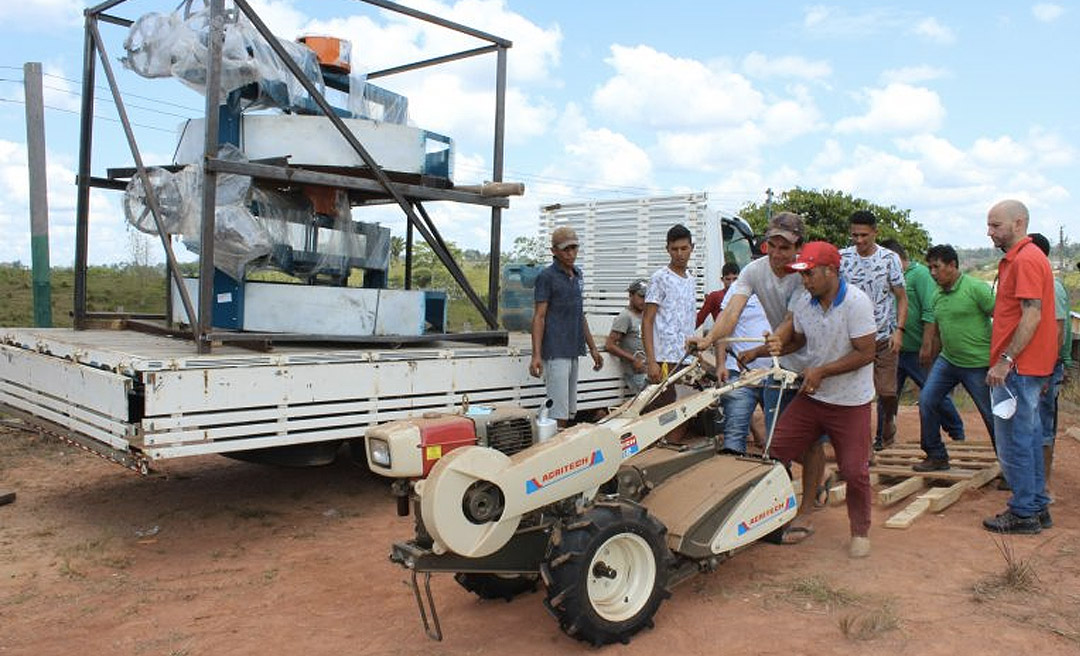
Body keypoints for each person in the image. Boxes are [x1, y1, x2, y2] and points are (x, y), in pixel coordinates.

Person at [688, 212, 826, 522]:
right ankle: (791, 499)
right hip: (782, 360)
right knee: (779, 439)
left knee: (807, 439)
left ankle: (806, 499)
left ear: (798, 248)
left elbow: (792, 322)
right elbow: (731, 313)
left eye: (785, 247)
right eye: (772, 245)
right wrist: (708, 340)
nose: (777, 254)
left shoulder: (803, 275)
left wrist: (767, 346)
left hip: (811, 360)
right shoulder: (753, 271)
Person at [765, 241, 877, 558]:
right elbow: (799, 340)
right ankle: (779, 517)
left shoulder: (856, 303)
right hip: (814, 397)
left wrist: (823, 371)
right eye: (802, 276)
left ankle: (860, 531)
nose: (805, 281)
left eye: (810, 274)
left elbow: (867, 352)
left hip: (851, 401)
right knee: (774, 453)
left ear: (831, 271)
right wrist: (769, 349)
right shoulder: (804, 301)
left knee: (855, 470)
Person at [983, 200, 1057, 534]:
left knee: (1015, 440)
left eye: (996, 225)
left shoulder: (1025, 259)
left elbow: (1032, 314)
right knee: (1028, 435)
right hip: (1028, 366)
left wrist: (1005, 361)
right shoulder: (1023, 258)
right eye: (989, 225)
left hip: (1018, 368)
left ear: (1019, 223)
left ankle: (1024, 512)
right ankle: (1036, 507)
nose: (990, 232)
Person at [913, 245, 996, 472]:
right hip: (948, 361)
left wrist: (1001, 359)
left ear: (952, 265)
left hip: (978, 364)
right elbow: (939, 330)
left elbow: (1002, 318)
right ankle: (936, 455)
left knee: (991, 415)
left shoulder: (976, 288)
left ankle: (1009, 468)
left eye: (936, 267)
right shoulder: (936, 294)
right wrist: (931, 358)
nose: (932, 272)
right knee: (928, 400)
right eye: (929, 267)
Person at [878, 239, 964, 444]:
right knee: (886, 394)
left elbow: (929, 311)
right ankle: (883, 437)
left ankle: (956, 431)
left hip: (915, 350)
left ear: (897, 258)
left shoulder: (919, 275)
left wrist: (927, 346)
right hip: (892, 348)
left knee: (933, 392)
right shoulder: (886, 276)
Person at [840, 211, 907, 451]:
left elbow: (901, 297)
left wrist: (899, 330)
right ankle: (865, 447)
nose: (859, 240)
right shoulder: (842, 258)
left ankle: (889, 419)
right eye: (854, 235)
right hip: (854, 340)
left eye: (864, 235)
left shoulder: (889, 259)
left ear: (875, 233)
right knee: (859, 396)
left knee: (887, 391)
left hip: (884, 336)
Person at [529, 226, 604, 428]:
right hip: (555, 351)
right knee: (558, 411)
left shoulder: (577, 274)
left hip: (573, 349)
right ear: (554, 251)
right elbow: (539, 316)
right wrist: (536, 354)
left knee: (569, 409)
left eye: (574, 248)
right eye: (565, 249)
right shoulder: (547, 277)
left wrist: (593, 348)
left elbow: (579, 314)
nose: (571, 254)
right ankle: (556, 452)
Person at [642, 224, 698, 442]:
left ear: (691, 248)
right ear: (667, 249)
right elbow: (647, 321)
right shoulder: (660, 278)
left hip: (685, 357)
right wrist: (651, 361)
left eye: (684, 248)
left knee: (684, 410)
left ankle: (669, 452)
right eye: (675, 249)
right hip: (663, 358)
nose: (680, 254)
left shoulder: (691, 280)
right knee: (659, 413)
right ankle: (653, 456)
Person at [1028, 232, 1072, 499]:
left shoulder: (1051, 286)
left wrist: (1049, 369)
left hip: (1044, 367)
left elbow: (1057, 330)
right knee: (1035, 423)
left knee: (1042, 425)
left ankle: (1041, 487)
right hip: (1040, 366)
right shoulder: (1043, 282)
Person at [714, 285, 772, 454]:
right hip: (739, 373)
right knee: (734, 433)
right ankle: (732, 473)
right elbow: (724, 325)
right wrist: (720, 364)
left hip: (775, 373)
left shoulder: (786, 287)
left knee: (779, 436)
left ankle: (779, 476)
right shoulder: (739, 288)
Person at [605, 279, 649, 395]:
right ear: (631, 295)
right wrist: (633, 359)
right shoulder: (625, 317)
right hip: (635, 372)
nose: (644, 301)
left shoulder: (646, 316)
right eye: (641, 296)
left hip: (648, 369)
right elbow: (610, 345)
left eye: (647, 297)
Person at [696, 261, 740, 327]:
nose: (732, 283)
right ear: (722, 280)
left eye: (735, 279)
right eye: (728, 279)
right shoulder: (715, 297)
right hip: (722, 336)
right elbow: (699, 319)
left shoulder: (746, 296)